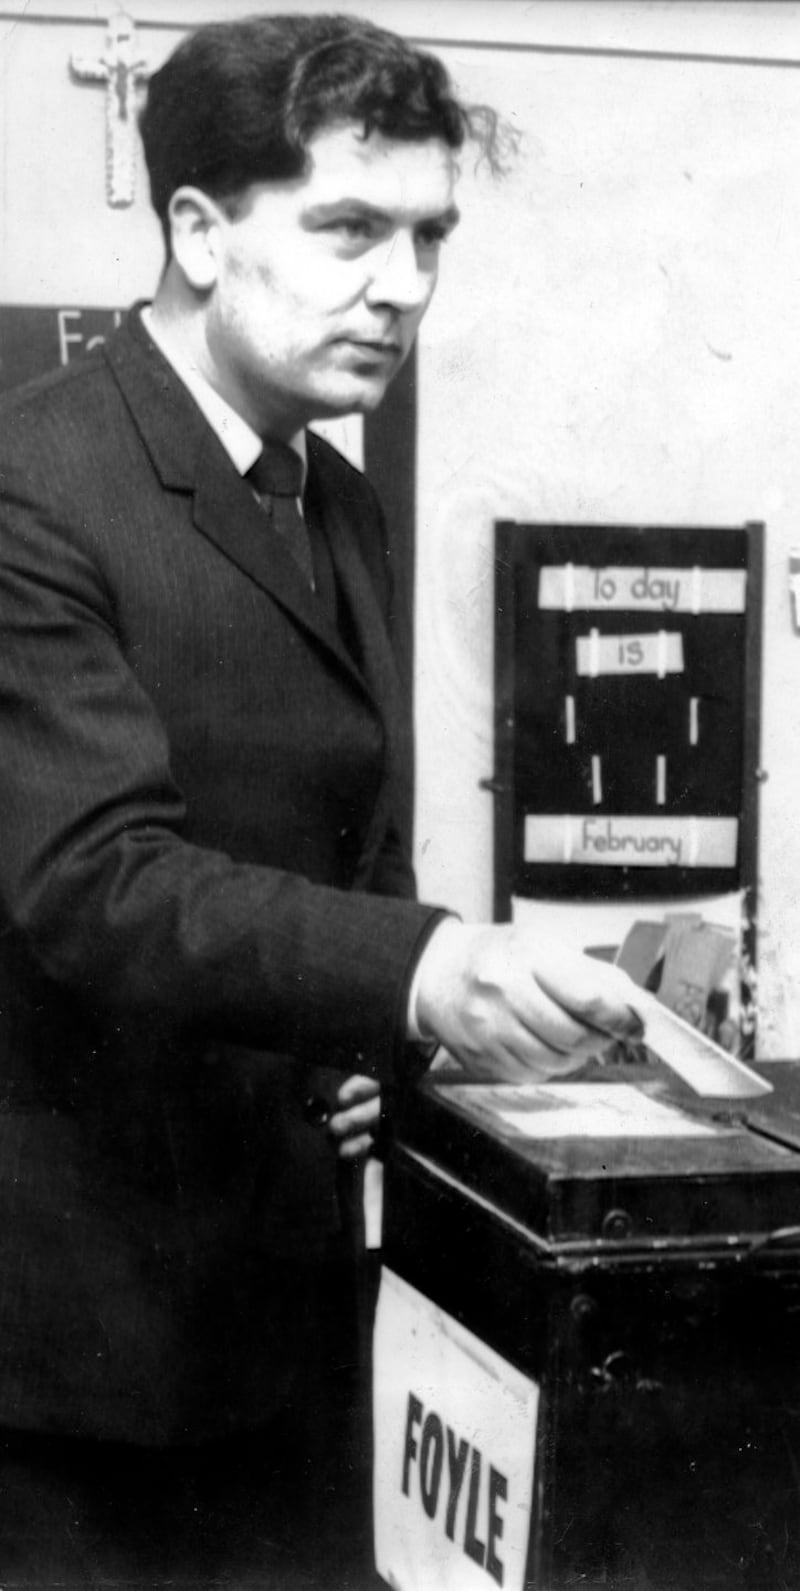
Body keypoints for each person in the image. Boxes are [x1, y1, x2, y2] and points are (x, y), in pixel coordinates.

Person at [0, 11, 642, 1586]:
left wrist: (374, 1041)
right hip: (85, 1358)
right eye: (350, 229)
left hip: (292, 1305)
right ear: (198, 232)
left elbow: (340, 845)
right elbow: (95, 878)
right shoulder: (33, 485)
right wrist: (420, 968)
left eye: (430, 238)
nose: (404, 285)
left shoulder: (335, 496)